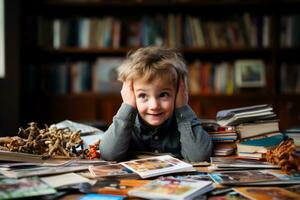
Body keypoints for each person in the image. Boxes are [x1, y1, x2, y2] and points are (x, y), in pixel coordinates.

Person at [100, 46, 212, 162]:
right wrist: (127, 105)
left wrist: (182, 107)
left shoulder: (184, 124)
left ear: (179, 93)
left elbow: (199, 157)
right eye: (143, 95)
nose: (154, 106)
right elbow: (108, 155)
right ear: (131, 95)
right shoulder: (127, 125)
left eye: (163, 95)